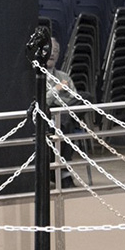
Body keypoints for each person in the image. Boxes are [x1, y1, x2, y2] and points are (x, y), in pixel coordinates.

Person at [45, 38, 78, 188]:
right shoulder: (37, 77)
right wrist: (57, 90)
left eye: (56, 51)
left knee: (85, 98)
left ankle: (61, 172)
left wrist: (58, 101)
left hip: (65, 116)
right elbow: (42, 101)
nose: (52, 54)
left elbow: (75, 98)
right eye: (49, 50)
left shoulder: (65, 77)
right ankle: (63, 174)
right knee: (65, 125)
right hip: (46, 119)